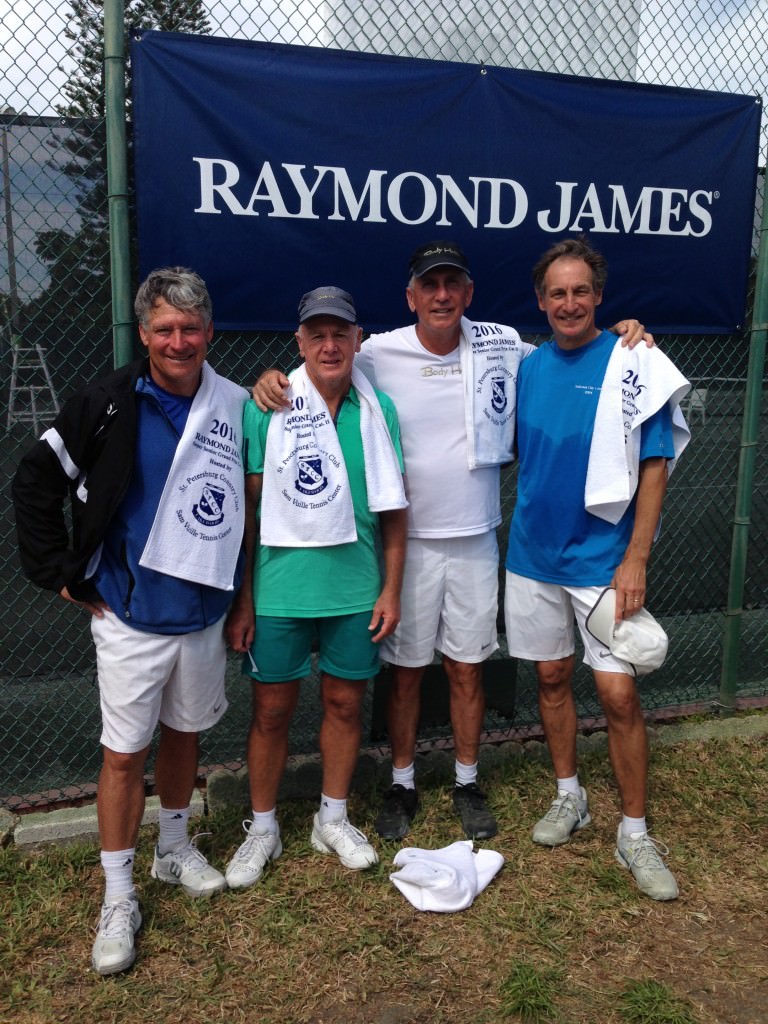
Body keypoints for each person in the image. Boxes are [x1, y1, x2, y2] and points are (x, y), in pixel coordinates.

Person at [254, 241, 651, 843]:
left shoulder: (505, 349)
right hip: (405, 545)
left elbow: (574, 347)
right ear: (411, 296)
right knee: (407, 674)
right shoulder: (377, 351)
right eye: (429, 286)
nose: (441, 296)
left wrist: (627, 331)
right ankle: (404, 782)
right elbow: (315, 369)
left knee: (467, 670)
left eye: (452, 285)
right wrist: (269, 378)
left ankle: (467, 780)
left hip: (475, 539)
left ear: (467, 294)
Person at [13, 268, 248, 974]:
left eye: (191, 328)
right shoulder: (107, 403)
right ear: (144, 333)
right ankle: (119, 895)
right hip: (129, 614)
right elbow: (34, 479)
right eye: (165, 329)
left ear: (210, 332)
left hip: (203, 612)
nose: (179, 341)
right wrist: (59, 572)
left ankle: (174, 849)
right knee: (123, 754)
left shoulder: (234, 404)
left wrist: (240, 600)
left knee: (183, 736)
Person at [503, 237, 690, 900]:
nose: (570, 302)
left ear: (600, 297)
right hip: (531, 555)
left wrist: (636, 557)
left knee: (617, 694)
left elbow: (654, 464)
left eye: (581, 290)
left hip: (603, 563)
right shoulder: (526, 366)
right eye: (558, 292)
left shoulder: (631, 359)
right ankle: (569, 796)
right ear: (541, 301)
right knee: (551, 679)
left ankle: (634, 833)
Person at [224, 286, 408, 887]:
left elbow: (395, 512)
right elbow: (246, 516)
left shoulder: (380, 410)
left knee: (345, 703)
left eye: (340, 334)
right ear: (299, 342)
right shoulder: (265, 407)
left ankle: (333, 817)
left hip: (357, 588)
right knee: (271, 712)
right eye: (317, 335)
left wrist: (391, 589)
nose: (329, 345)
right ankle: (262, 827)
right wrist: (245, 597)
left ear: (358, 340)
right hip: (279, 589)